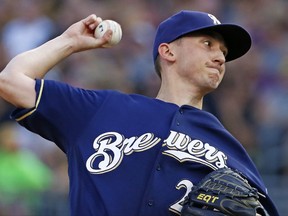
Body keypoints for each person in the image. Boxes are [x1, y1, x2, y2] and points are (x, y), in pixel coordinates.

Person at [0, 10, 279, 216]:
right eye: (208, 44)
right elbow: (11, 81)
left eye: (224, 51)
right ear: (168, 51)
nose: (220, 57)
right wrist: (70, 41)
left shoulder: (230, 149)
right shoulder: (101, 110)